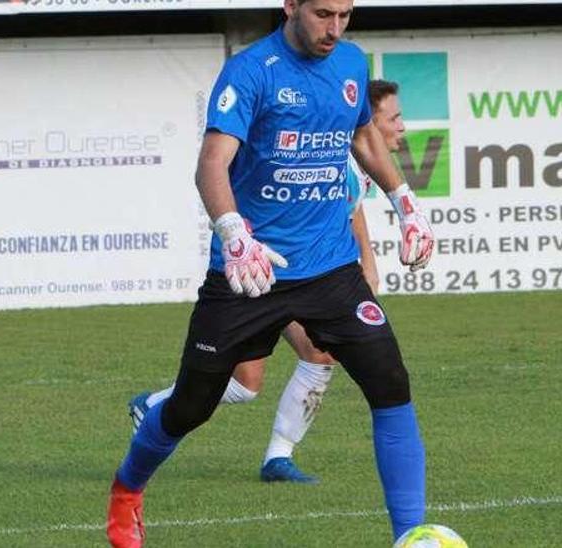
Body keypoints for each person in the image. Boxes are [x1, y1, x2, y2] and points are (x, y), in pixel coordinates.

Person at [106, 0, 435, 546]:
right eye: (323, 14)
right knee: (191, 405)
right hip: (252, 272)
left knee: (391, 383)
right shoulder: (250, 71)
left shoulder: (352, 63)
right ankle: (127, 490)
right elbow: (211, 164)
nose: (334, 29)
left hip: (331, 270)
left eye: (345, 15)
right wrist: (235, 234)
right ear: (290, 6)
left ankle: (410, 536)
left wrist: (405, 201)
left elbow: (361, 136)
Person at [126, 79, 409, 485]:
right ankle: (160, 408)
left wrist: (367, 260)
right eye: (394, 117)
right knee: (267, 375)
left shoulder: (355, 165)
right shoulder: (327, 155)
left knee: (254, 381)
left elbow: (351, 211)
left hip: (311, 276)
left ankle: (276, 458)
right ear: (366, 119)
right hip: (267, 273)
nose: (401, 126)